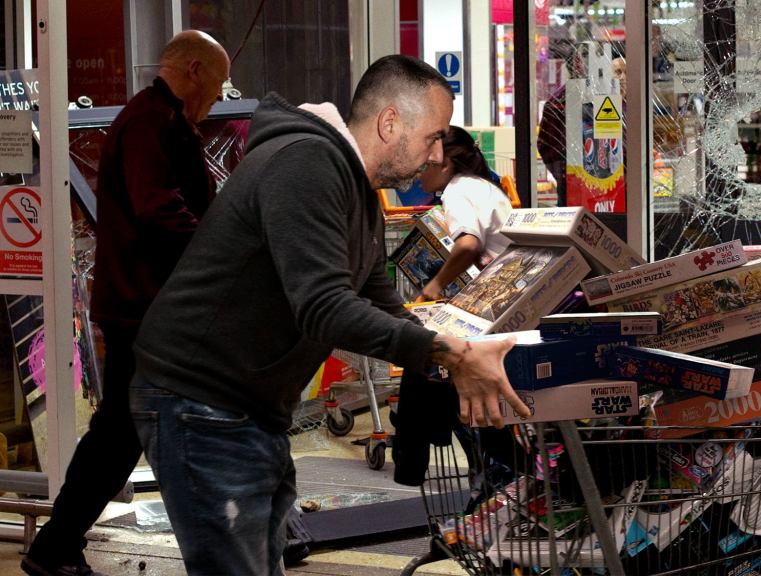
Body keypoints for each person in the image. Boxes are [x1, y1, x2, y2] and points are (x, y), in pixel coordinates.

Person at [127, 54, 530, 575]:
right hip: (202, 400)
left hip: (249, 407)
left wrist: (460, 351)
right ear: (390, 122)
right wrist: (446, 350)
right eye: (432, 137)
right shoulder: (307, 164)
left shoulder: (355, 189)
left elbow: (380, 302)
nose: (437, 154)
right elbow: (324, 308)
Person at [21, 30, 230, 576]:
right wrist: (220, 252)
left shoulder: (164, 121)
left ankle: (57, 544)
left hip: (150, 305)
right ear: (191, 70)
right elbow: (158, 210)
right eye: (217, 80)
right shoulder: (149, 123)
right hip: (145, 308)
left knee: (124, 430)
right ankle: (55, 545)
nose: (220, 93)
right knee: (125, 431)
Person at [416, 125, 513, 302]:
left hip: (506, 291)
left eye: (423, 166)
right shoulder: (480, 185)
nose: (418, 174)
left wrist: (436, 284)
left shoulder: (456, 191)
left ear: (445, 164)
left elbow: (468, 244)